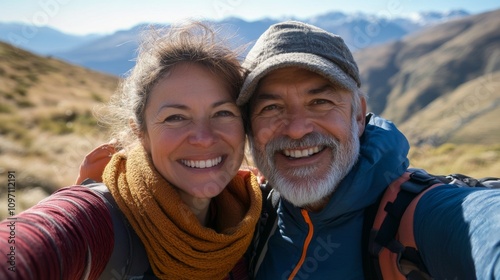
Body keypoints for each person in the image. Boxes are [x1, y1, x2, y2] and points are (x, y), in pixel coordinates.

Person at [236, 21, 500, 279]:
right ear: (249, 127)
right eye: (271, 108)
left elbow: (482, 222)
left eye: (320, 101)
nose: (296, 129)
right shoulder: (251, 215)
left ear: (359, 116)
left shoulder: (417, 216)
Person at [0, 22, 262, 280]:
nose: (204, 138)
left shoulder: (253, 219)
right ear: (140, 132)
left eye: (223, 113)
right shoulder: (98, 219)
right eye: (175, 118)